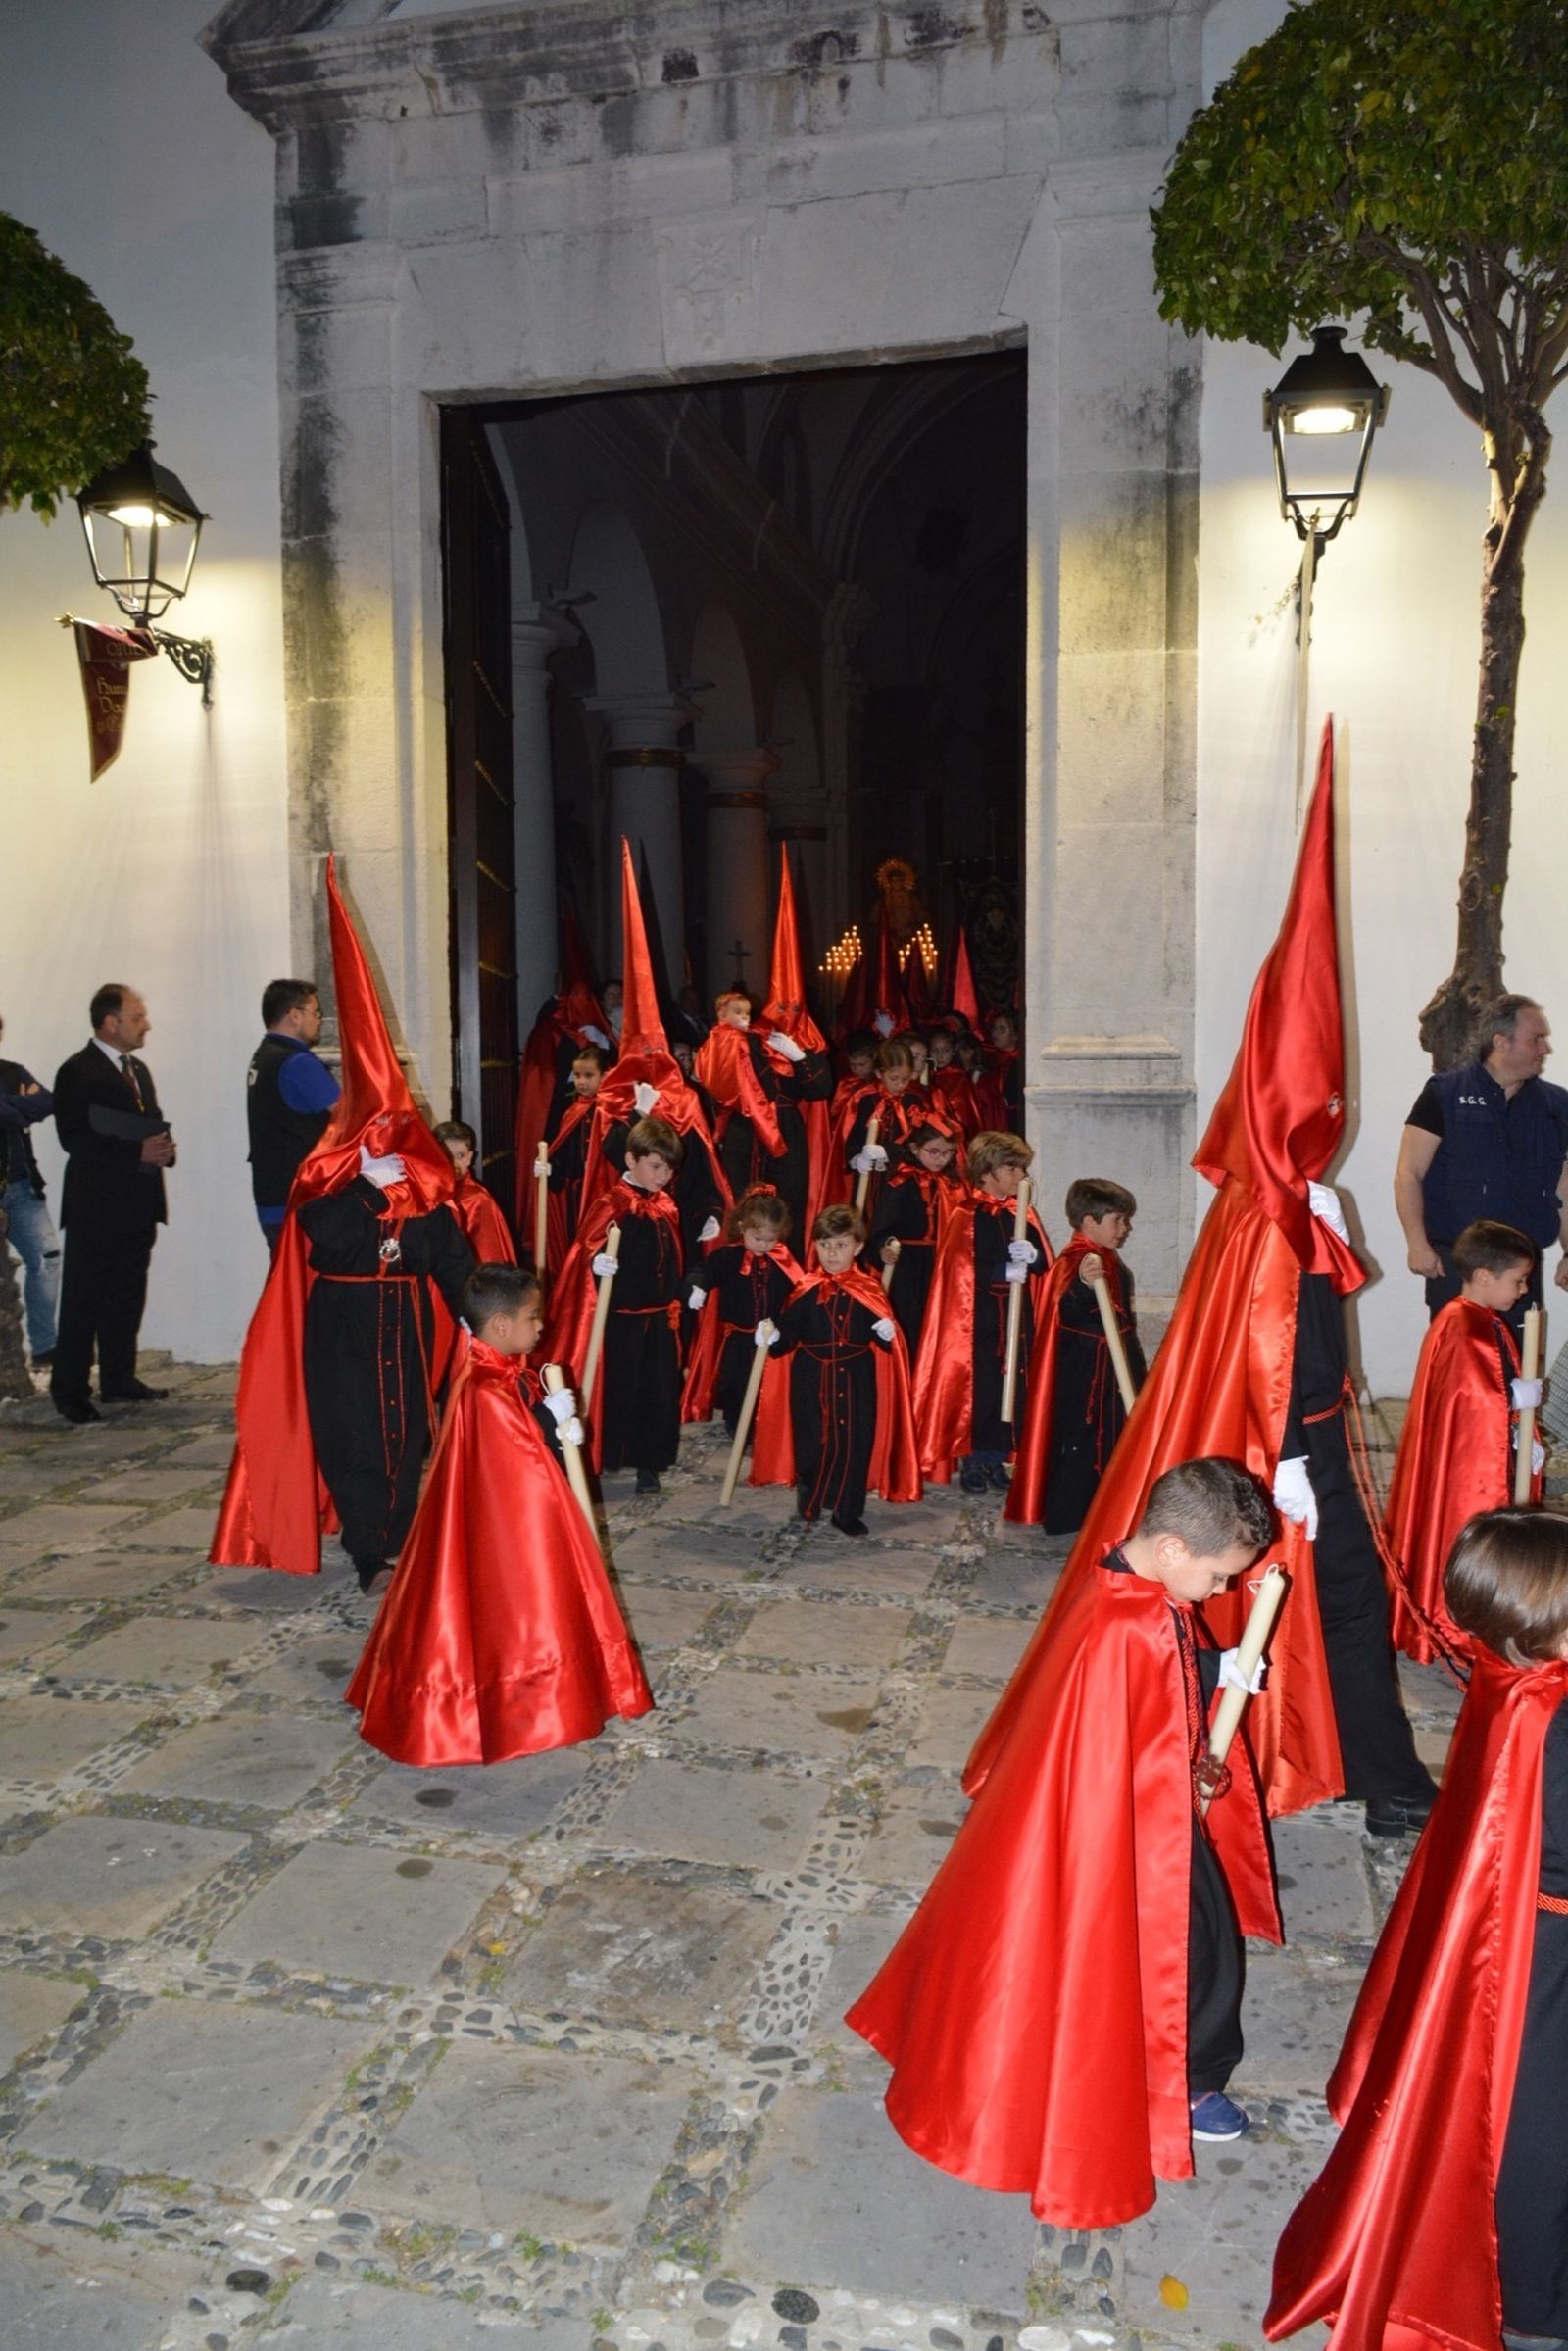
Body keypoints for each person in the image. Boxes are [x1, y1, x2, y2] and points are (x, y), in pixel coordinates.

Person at [966, 726, 1434, 1835]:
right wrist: (1302, 1457)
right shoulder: (1269, 1224)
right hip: (1290, 1454)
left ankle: (1361, 1764)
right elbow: (1281, 1355)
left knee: (1337, 1608)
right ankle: (1370, 1774)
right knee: (1339, 1602)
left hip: (1302, 1444)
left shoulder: (1270, 1209)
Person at [847, 1457, 1280, 2226]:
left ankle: (1187, 2066)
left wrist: (1211, 1702)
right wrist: (1185, 1779)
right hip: (1131, 1829)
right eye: (1218, 1576)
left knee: (1205, 1938)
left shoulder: (1123, 1577)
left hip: (1139, 1808)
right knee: (1199, 1944)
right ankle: (1184, 2078)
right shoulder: (1137, 1624)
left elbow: (1146, 1714)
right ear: (1176, 1549)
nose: (1220, 1593)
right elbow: (1131, 1745)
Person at [1266, 1509, 1568, 2351]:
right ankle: (1535, 2307)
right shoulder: (1556, 1723)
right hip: (1546, 1966)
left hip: (1515, 1937)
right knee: (1538, 2130)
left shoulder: (1506, 1681)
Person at [211, 857, 473, 1588]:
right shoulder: (329, 1183)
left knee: (407, 1428)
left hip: (401, 1320)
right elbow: (332, 1235)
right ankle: (368, 1548)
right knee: (356, 1430)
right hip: (344, 1318)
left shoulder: (416, 1184)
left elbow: (445, 1255)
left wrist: (485, 1314)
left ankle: (401, 1532)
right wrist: (364, 1187)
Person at [346, 1262, 653, 1763]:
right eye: (533, 1318)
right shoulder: (483, 1388)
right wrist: (550, 1432)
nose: (541, 1327)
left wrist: (550, 1427)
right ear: (501, 1326)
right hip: (508, 1531)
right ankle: (517, 1707)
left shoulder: (494, 1370)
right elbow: (518, 1466)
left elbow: (519, 1441)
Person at [1383, 1218, 1543, 1667]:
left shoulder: (1482, 1321)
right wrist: (1513, 1399)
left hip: (1487, 1449)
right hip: (1464, 1474)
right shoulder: (1463, 1327)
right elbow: (1471, 1406)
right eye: (1518, 1280)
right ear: (1486, 1277)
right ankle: (1458, 1623)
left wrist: (1520, 1429)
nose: (1524, 1289)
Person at [1394, 993, 1568, 1329]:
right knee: (1457, 1363)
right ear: (1501, 1042)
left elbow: (1563, 1184)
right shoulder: (1444, 1094)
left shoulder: (1556, 1106)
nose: (1545, 1049)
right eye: (1536, 1039)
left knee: (1518, 1369)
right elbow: (1408, 1173)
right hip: (1457, 1262)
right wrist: (1417, 1243)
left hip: (1521, 1266)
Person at [751, 1200, 921, 1535]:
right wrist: (771, 1336)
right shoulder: (805, 1289)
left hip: (856, 1376)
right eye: (824, 1244)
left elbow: (890, 1346)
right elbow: (787, 1336)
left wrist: (889, 1333)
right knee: (812, 1438)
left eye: (841, 1245)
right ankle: (810, 1496)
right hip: (810, 1377)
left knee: (854, 1441)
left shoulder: (868, 1289)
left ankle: (847, 1509)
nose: (831, 1253)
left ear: (857, 1246)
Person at [50, 984, 175, 1423]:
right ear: (110, 1022)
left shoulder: (137, 1069)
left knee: (126, 1296)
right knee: (84, 1300)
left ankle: (119, 1379)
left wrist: (163, 1148)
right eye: (137, 1017)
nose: (146, 1025)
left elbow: (147, 1124)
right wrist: (135, 1153)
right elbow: (75, 1139)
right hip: (96, 1206)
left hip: (138, 1203)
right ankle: (69, 1391)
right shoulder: (77, 1071)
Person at [544, 1113, 686, 1495]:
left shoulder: (666, 1205)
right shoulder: (612, 1203)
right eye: (656, 1166)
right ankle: (605, 1456)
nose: (663, 1175)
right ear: (631, 1161)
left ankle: (648, 1463)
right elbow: (583, 1248)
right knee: (619, 1390)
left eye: (669, 1168)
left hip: (656, 1316)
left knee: (655, 1394)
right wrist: (594, 1261)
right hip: (619, 1318)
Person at [912, 1128, 1053, 1493]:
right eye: (1013, 1169)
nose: (1022, 1176)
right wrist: (1000, 1271)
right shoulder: (966, 1214)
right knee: (983, 1388)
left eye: (1021, 1169)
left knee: (1014, 1385)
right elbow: (959, 1270)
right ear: (988, 1172)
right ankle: (974, 1459)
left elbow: (1042, 1265)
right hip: (979, 1321)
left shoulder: (1021, 1212)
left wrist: (1034, 1256)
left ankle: (998, 1457)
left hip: (1016, 1319)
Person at [1006, 1176, 1147, 1534]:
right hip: (1085, 1375)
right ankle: (1073, 1512)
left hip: (1112, 1370)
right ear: (1089, 1222)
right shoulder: (1078, 1261)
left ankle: (1104, 1508)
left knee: (1112, 1440)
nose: (1125, 1228)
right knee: (1081, 1443)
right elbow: (1063, 1308)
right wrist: (1084, 1286)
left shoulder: (1104, 1257)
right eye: (1117, 1220)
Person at [681, 1186, 804, 1435]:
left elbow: (801, 1290)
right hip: (737, 1339)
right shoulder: (728, 1257)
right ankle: (736, 1425)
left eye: (771, 1240)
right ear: (741, 1227)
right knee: (735, 1385)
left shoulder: (783, 1261)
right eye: (758, 1239)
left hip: (771, 1338)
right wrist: (696, 1286)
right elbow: (704, 1271)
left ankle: (763, 1429)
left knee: (766, 1385)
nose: (764, 1246)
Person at [247, 978, 340, 1253]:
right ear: (295, 1015)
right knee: (311, 1293)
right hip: (301, 1202)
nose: (320, 1021)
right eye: (317, 1013)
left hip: (274, 1197)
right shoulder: (297, 1063)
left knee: (289, 1292)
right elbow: (348, 1116)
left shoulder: (264, 1056)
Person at [868, 1121, 961, 1358]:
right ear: (915, 1148)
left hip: (938, 1265)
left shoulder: (952, 1186)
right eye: (934, 1152)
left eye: (948, 1153)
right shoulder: (900, 1182)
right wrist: (883, 1249)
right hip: (907, 1268)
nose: (941, 1159)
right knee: (910, 1325)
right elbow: (880, 1229)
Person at [0, 1012, 60, 1369]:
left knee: (47, 1259)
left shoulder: (12, 1071)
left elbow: (48, 1103)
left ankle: (46, 1347)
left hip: (21, 1185)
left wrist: (9, 1107)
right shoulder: (13, 1081)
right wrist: (17, 1107)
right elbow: (28, 1108)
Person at [433, 1119, 515, 1263]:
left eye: (460, 1156)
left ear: (470, 1158)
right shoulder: (424, 1196)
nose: (454, 1164)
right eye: (446, 1156)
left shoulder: (478, 1200)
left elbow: (489, 1255)